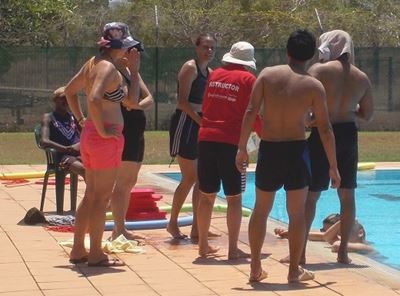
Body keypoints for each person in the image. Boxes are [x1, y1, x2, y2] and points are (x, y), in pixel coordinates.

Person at [235, 29, 341, 283]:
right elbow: (325, 128)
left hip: (270, 148)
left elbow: (251, 112)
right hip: (296, 151)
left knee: (260, 210)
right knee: (297, 215)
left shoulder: (267, 75)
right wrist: (334, 166)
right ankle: (294, 270)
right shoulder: (313, 86)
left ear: (287, 51)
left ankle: (254, 268)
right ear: (312, 56)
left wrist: (241, 148)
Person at [64, 22, 141, 267]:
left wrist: (82, 121)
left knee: (91, 195)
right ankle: (95, 252)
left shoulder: (93, 64)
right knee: (101, 198)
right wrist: (100, 128)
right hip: (103, 140)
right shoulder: (108, 68)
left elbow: (69, 91)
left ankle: (78, 249)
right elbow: (95, 97)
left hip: (92, 137)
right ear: (119, 46)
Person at [301, 30, 374, 265]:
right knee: (347, 195)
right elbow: (367, 114)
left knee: (311, 196)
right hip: (347, 134)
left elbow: (304, 108)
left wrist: (312, 119)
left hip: (323, 132)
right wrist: (349, 109)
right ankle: (343, 252)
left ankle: (299, 253)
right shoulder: (361, 77)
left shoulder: (318, 71)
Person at [197, 41, 257, 260]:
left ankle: (202, 245)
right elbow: (253, 113)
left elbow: (205, 106)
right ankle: (233, 248)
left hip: (206, 138)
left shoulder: (215, 75)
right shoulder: (248, 79)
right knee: (234, 197)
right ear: (248, 63)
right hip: (231, 142)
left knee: (206, 196)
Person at [167, 33, 218, 240]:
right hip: (186, 124)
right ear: (196, 48)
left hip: (200, 124)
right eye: (205, 47)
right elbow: (182, 102)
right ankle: (172, 223)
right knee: (189, 177)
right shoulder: (190, 68)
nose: (209, 51)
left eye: (212, 47)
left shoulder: (210, 72)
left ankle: (198, 227)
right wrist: (200, 122)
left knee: (201, 179)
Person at [110, 71, 153, 241]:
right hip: (125, 131)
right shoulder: (116, 73)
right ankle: (118, 229)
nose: (137, 55)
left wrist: (137, 106)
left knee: (130, 182)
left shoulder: (132, 73)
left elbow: (149, 98)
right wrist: (134, 71)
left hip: (137, 133)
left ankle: (121, 228)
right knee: (122, 183)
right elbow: (129, 100)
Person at [40, 86, 84, 177]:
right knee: (85, 170)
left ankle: (97, 191)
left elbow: (85, 134)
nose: (67, 101)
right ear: (55, 100)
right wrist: (67, 149)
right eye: (63, 98)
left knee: (98, 169)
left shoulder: (74, 117)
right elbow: (44, 141)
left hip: (80, 154)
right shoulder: (49, 117)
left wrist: (80, 145)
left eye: (69, 99)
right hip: (62, 159)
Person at [275, 213, 374, 254]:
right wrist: (289, 233)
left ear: (360, 233)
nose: (340, 234)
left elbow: (335, 245)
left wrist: (342, 220)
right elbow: (323, 236)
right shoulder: (345, 241)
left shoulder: (365, 247)